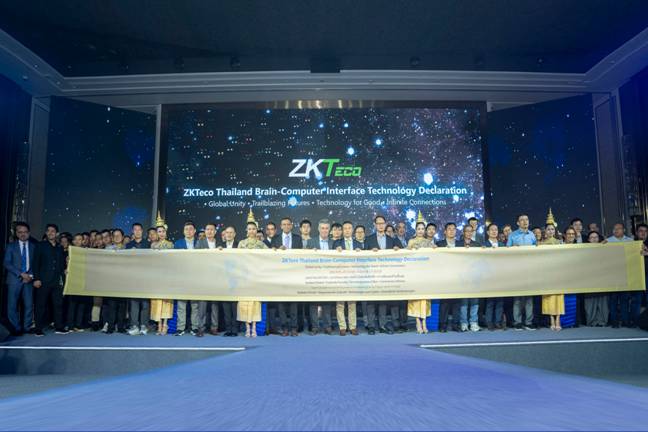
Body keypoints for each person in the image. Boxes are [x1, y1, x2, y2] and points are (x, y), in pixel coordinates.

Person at [364, 215, 401, 334]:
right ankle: (371, 326)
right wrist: (370, 253)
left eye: (382, 223)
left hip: (386, 276)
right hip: (372, 275)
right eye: (378, 223)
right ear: (375, 225)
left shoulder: (392, 240)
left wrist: (397, 250)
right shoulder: (368, 239)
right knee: (371, 301)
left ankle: (382, 325)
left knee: (383, 302)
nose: (380, 225)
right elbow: (363, 257)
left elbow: (400, 256)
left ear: (385, 224)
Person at [32, 224, 67, 336]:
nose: (50, 233)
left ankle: (59, 327)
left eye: (53, 231)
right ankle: (38, 328)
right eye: (48, 231)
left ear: (57, 233)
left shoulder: (60, 247)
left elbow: (61, 264)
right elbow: (35, 263)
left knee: (58, 304)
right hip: (43, 280)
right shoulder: (40, 245)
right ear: (46, 233)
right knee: (40, 305)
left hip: (57, 281)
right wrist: (36, 279)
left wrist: (64, 270)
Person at [272, 217, 303, 336]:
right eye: (284, 224)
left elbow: (300, 255)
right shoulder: (275, 239)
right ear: (281, 226)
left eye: (288, 224)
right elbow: (271, 257)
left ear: (291, 226)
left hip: (294, 274)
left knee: (294, 303)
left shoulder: (297, 238)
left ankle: (294, 328)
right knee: (281, 304)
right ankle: (284, 327)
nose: (286, 226)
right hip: (280, 275)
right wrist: (277, 251)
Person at [237, 221, 268, 338]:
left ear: (256, 230)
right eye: (249, 229)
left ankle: (254, 327)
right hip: (244, 277)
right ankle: (247, 328)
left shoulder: (261, 244)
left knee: (255, 303)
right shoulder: (241, 243)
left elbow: (270, 256)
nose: (251, 231)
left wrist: (276, 250)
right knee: (245, 302)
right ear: (247, 231)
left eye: (253, 229)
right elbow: (237, 258)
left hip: (256, 277)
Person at [3, 222, 35, 335]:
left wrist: (30, 276)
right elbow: (7, 263)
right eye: (20, 232)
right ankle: (16, 328)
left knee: (29, 304)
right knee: (12, 305)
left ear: (29, 233)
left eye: (25, 232)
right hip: (14, 280)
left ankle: (27, 327)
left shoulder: (34, 247)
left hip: (29, 280)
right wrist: (21, 274)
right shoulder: (11, 246)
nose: (23, 234)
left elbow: (35, 263)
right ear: (16, 233)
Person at [507, 214, 537, 330]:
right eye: (522, 220)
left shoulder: (532, 235)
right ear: (518, 223)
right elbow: (506, 251)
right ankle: (517, 322)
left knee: (529, 298)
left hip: (530, 269)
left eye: (526, 219)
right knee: (518, 298)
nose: (525, 221)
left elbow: (536, 251)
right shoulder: (512, 235)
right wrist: (513, 248)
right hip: (517, 270)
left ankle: (528, 322)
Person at [333, 221, 362, 336]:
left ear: (352, 230)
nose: (347, 230)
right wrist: (336, 252)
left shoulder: (358, 244)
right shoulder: (336, 243)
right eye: (345, 228)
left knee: (352, 303)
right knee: (340, 303)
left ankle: (353, 326)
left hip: (354, 277)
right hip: (340, 276)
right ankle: (342, 327)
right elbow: (331, 260)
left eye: (349, 228)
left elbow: (363, 261)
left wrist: (360, 253)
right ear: (342, 230)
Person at [406, 222, 433, 334]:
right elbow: (407, 255)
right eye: (419, 229)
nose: (421, 231)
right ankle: (418, 322)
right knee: (416, 298)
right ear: (415, 230)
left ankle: (424, 323)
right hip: (415, 273)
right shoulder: (411, 241)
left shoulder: (428, 242)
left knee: (425, 299)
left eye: (422, 229)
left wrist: (435, 249)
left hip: (426, 273)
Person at [607, 223, 635, 327]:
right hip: (612, 275)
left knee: (624, 300)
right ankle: (614, 322)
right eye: (614, 229)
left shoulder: (631, 241)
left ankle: (625, 321)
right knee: (613, 300)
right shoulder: (607, 241)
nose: (616, 230)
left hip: (626, 275)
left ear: (624, 230)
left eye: (619, 228)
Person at [125, 223, 151, 336]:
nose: (137, 231)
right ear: (132, 231)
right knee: (134, 302)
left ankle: (144, 325)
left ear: (142, 231)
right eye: (135, 230)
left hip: (145, 276)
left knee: (145, 303)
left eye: (139, 229)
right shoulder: (128, 245)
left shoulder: (148, 244)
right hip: (133, 277)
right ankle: (134, 325)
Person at [173, 221, 198, 335]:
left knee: (195, 304)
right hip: (182, 277)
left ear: (194, 231)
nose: (189, 231)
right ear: (183, 231)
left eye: (191, 229)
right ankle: (180, 328)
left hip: (195, 277)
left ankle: (194, 327)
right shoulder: (178, 243)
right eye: (186, 229)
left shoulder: (200, 242)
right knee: (181, 304)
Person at [311, 219, 335, 335]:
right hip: (314, 276)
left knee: (327, 303)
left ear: (329, 230)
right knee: (313, 303)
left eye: (326, 228)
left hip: (329, 277)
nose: (324, 230)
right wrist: (310, 253)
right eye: (322, 228)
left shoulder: (334, 243)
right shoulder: (311, 242)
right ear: (318, 229)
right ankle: (315, 327)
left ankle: (327, 326)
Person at [150, 222, 175, 335]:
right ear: (157, 233)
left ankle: (165, 324)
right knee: (157, 300)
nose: (161, 233)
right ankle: (158, 324)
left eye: (163, 231)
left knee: (166, 300)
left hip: (167, 274)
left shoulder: (170, 244)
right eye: (159, 232)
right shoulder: (153, 245)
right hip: (156, 275)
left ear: (166, 232)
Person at [455, 225, 481, 332]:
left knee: (475, 301)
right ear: (463, 232)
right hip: (462, 277)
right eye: (467, 231)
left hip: (474, 277)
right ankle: (464, 323)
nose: (469, 233)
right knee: (464, 302)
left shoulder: (477, 245)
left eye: (471, 231)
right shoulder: (457, 244)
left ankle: (473, 322)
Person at [197, 222, 221, 336]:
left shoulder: (220, 243)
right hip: (203, 277)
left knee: (214, 304)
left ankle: (214, 327)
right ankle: (200, 328)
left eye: (211, 229)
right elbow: (196, 258)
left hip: (216, 277)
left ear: (215, 231)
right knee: (202, 304)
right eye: (207, 229)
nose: (209, 231)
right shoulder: (200, 242)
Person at [540, 224, 564, 331]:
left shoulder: (560, 242)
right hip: (546, 272)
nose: (550, 231)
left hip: (558, 271)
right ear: (545, 231)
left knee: (558, 295)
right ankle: (551, 319)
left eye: (552, 229)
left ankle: (558, 319)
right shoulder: (541, 244)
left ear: (555, 231)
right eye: (548, 229)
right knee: (548, 296)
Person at [104, 229, 128, 333]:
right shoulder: (107, 249)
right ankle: (110, 327)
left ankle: (121, 327)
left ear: (122, 237)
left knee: (122, 305)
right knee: (112, 305)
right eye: (115, 235)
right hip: (111, 280)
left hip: (124, 280)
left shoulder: (127, 249)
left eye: (119, 235)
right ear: (112, 238)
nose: (117, 237)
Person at [435, 222, 458, 332]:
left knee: (457, 302)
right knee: (444, 303)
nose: (452, 231)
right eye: (449, 229)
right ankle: (442, 325)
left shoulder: (461, 244)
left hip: (457, 277)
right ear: (445, 231)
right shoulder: (439, 244)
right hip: (444, 277)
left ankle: (456, 324)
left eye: (454, 229)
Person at [583, 231, 609, 327]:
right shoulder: (583, 249)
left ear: (599, 238)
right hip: (589, 279)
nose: (594, 239)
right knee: (590, 302)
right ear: (588, 240)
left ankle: (602, 321)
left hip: (602, 279)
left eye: (596, 237)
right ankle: (591, 321)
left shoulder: (605, 248)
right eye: (592, 237)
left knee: (603, 302)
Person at [65, 233, 89, 331]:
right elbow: (64, 266)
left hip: (83, 280)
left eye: (80, 239)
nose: (78, 241)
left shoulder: (87, 252)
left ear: (83, 241)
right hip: (72, 281)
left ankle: (78, 325)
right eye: (76, 239)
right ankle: (70, 325)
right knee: (72, 304)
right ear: (73, 241)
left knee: (81, 304)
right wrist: (66, 268)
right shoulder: (69, 252)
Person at [483, 223, 505, 330]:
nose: (494, 231)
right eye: (492, 230)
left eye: (496, 229)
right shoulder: (484, 245)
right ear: (488, 232)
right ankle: (489, 322)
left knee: (500, 301)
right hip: (489, 276)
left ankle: (498, 322)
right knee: (490, 301)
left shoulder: (502, 245)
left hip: (500, 276)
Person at [219, 226, 239, 336]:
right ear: (225, 234)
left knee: (235, 307)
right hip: (224, 280)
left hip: (236, 280)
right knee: (226, 307)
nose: (229, 234)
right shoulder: (220, 246)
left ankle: (235, 329)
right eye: (227, 232)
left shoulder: (239, 245)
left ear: (234, 234)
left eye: (231, 232)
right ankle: (228, 329)